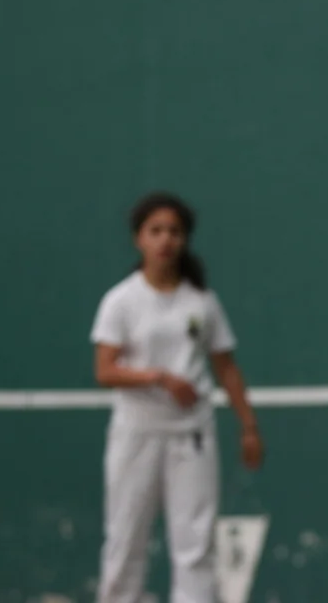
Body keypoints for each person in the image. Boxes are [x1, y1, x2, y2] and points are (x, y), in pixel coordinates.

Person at [90, 191, 264, 603]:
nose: (165, 239)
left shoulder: (201, 301)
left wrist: (248, 426)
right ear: (139, 238)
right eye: (156, 230)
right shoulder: (121, 301)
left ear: (184, 239)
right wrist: (159, 378)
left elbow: (226, 367)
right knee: (125, 539)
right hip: (136, 434)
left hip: (192, 435)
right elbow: (105, 370)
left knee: (195, 545)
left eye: (174, 231)